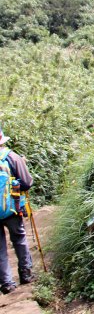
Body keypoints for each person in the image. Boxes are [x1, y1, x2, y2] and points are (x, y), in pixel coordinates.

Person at [0, 126, 34, 294]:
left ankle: (6, 283)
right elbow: (27, 182)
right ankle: (26, 274)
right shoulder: (12, 157)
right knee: (19, 238)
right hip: (11, 208)